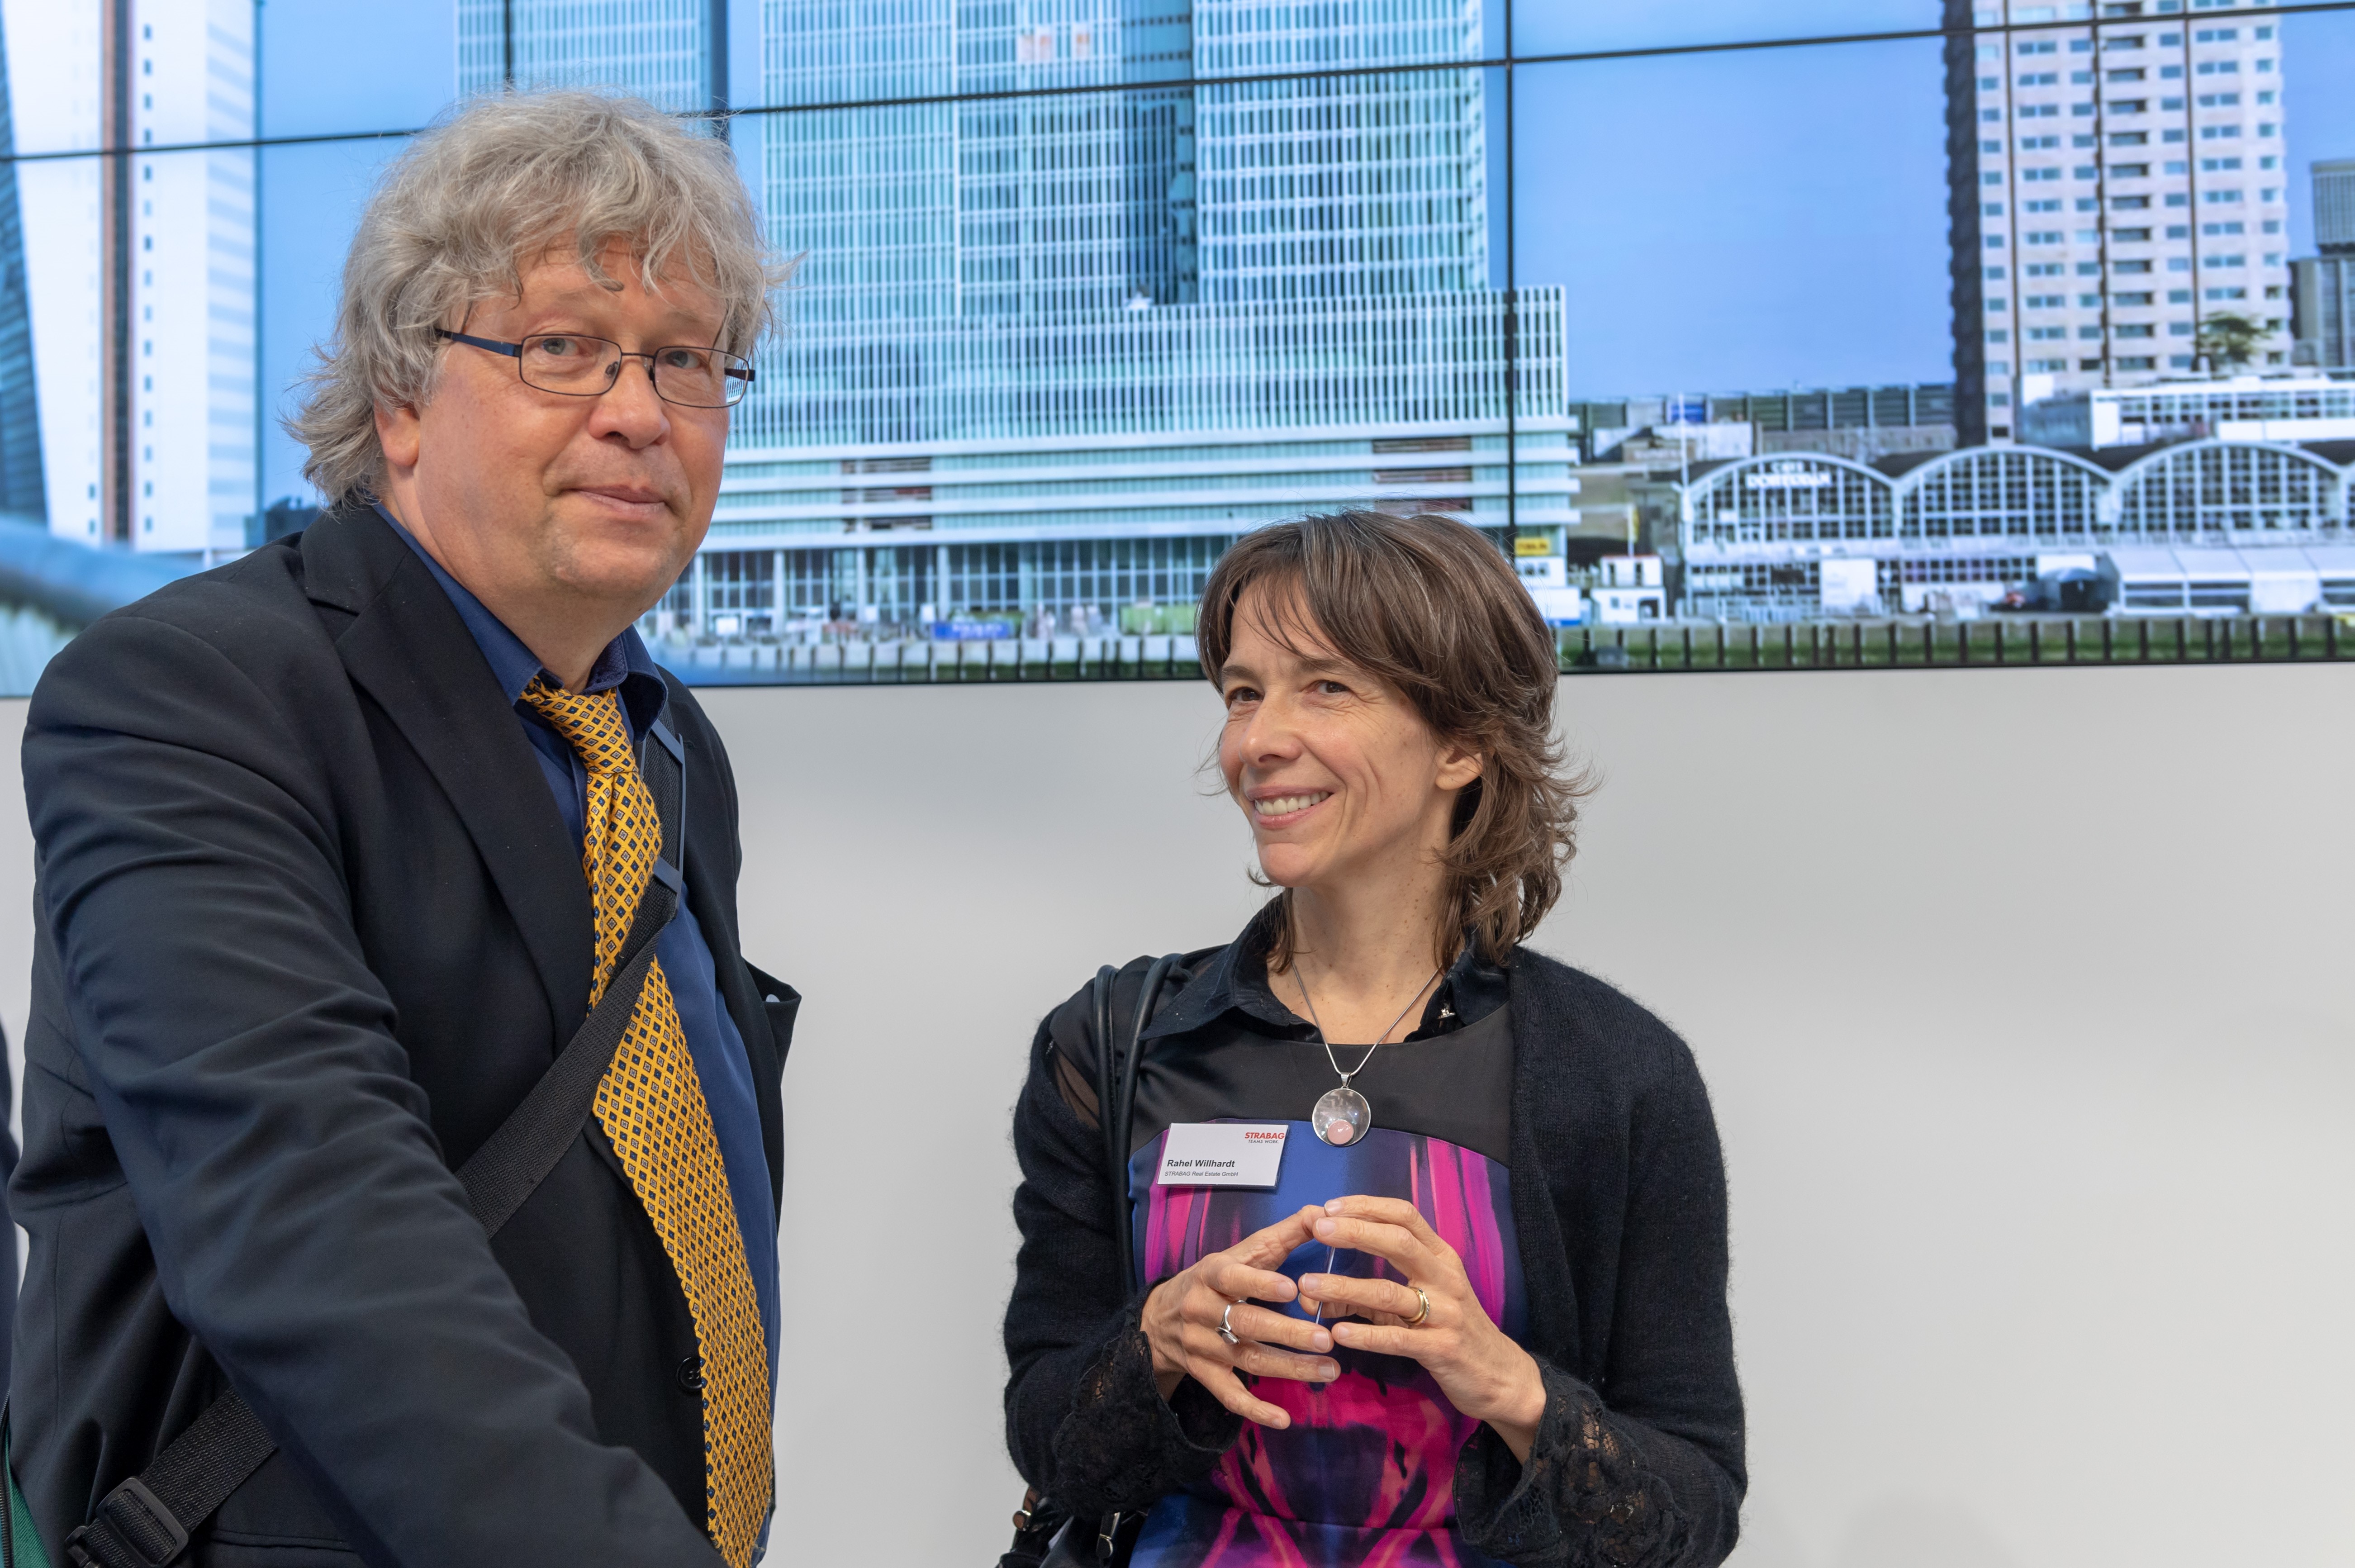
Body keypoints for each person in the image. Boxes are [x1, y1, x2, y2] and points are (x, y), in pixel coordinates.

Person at [10, 91, 793, 1567]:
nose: (640, 412)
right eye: (561, 345)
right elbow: (317, 1227)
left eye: (684, 358)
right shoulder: (190, 694)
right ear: (399, 395)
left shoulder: (664, 738)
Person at [1002, 511, 1745, 1567]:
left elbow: (1694, 1512)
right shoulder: (1114, 1045)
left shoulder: (1616, 1074)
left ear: (1462, 742)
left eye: (1325, 687)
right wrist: (1156, 1343)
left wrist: (1507, 1383)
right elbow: (1048, 1439)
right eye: (1243, 693)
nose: (1257, 741)